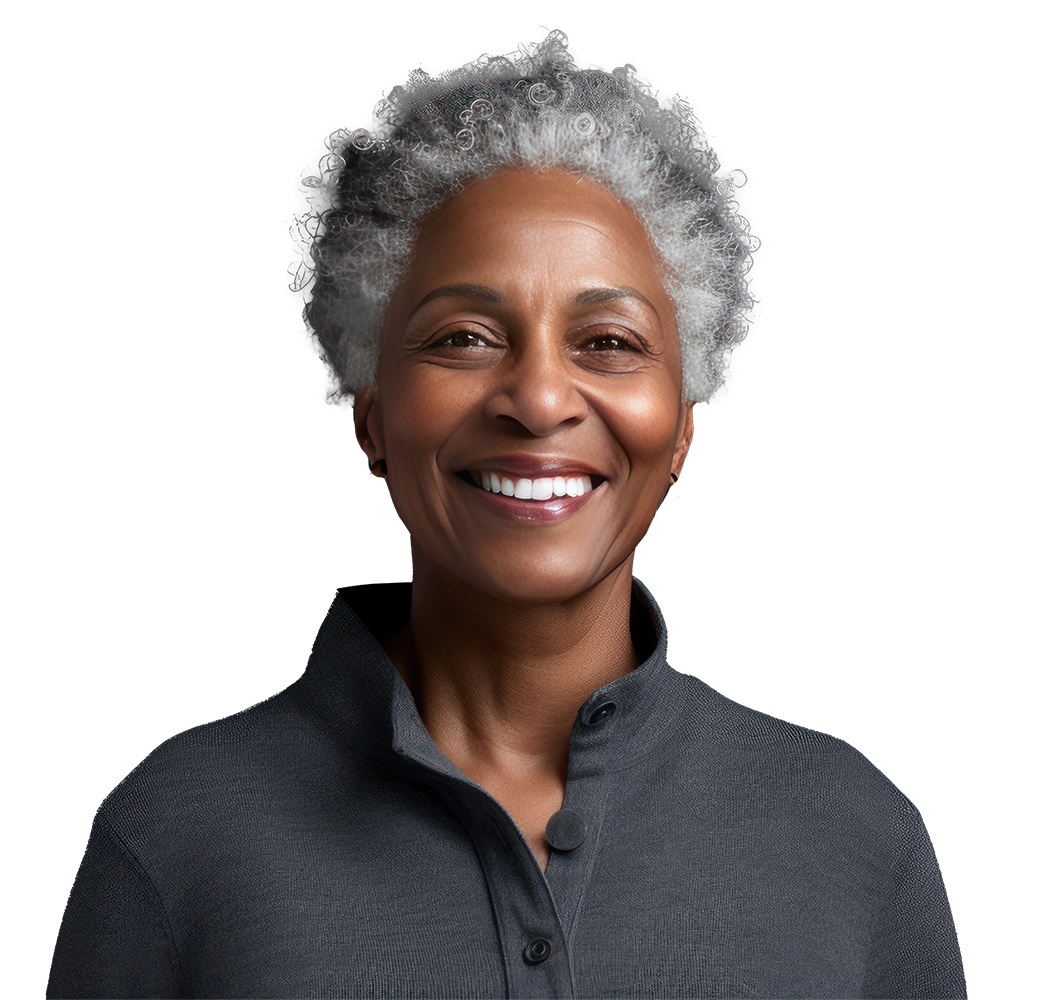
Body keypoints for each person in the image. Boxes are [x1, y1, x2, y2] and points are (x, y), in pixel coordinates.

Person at [46, 31, 966, 999]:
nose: (537, 398)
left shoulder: (855, 838)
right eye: (464, 337)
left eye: (607, 341)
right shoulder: (173, 838)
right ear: (372, 418)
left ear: (681, 430)